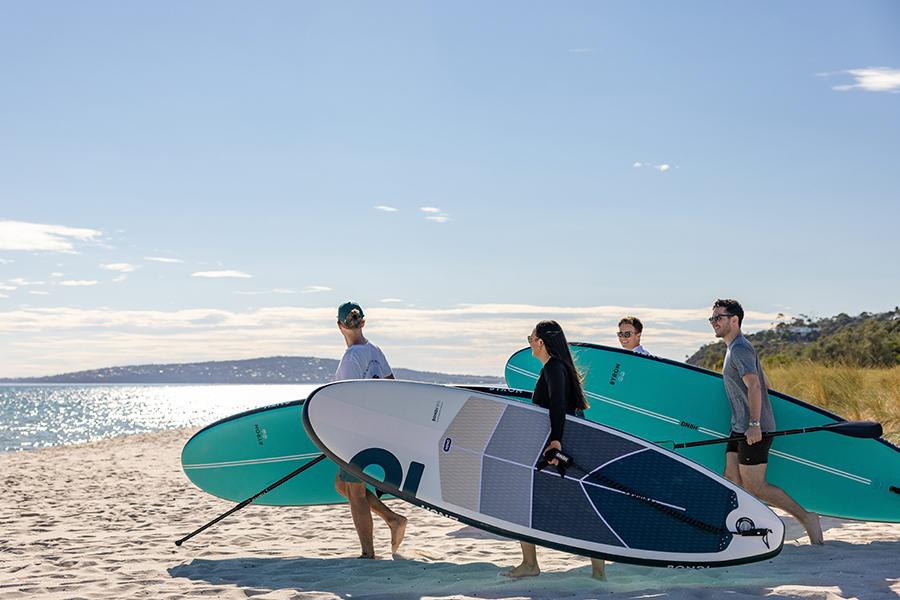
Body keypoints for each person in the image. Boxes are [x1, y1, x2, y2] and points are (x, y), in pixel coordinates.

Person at [709, 299, 824, 545]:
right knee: (731, 478)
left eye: (718, 317)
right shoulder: (734, 348)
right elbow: (765, 383)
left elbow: (754, 386)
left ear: (734, 320)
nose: (714, 323)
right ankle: (741, 531)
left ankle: (807, 518)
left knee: (756, 486)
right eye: (712, 318)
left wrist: (755, 423)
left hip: (753, 428)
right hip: (739, 427)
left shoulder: (740, 348)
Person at [502, 320, 607, 580]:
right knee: (580, 505)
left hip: (559, 445)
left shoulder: (554, 368)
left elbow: (559, 406)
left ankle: (531, 564)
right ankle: (597, 572)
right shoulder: (558, 368)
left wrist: (556, 442)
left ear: (541, 342)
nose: (529, 343)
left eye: (530, 338)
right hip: (564, 442)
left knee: (521, 498)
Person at [332, 301, 408, 558]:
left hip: (357, 431)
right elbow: (391, 386)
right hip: (375, 427)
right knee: (342, 484)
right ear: (362, 323)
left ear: (340, 326)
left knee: (354, 492)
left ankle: (368, 553)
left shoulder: (352, 357)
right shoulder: (374, 350)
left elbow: (348, 399)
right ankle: (392, 519)